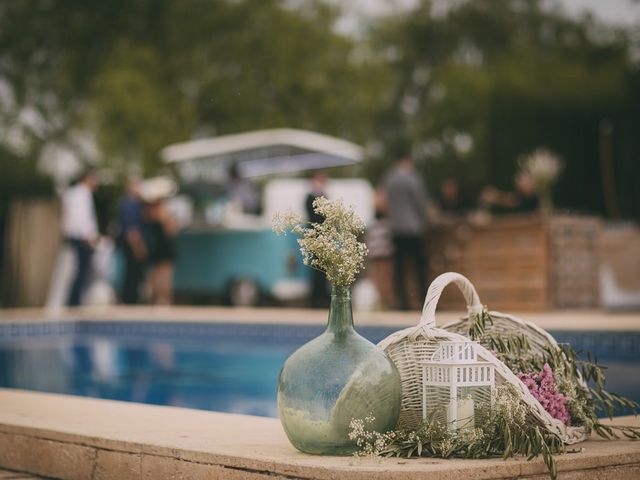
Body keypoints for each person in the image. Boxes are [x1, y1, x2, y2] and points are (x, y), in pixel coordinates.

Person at [382, 153, 429, 310]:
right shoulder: (412, 178)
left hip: (396, 228)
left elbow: (384, 202)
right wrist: (425, 220)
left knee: (399, 268)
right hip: (413, 228)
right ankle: (424, 302)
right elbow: (420, 203)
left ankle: (402, 303)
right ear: (408, 161)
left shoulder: (389, 179)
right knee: (419, 267)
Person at [60, 170, 99, 306]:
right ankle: (74, 302)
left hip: (76, 237)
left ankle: (73, 301)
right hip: (82, 238)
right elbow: (82, 218)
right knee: (81, 271)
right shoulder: (82, 194)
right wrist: (89, 236)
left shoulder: (73, 194)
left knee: (78, 271)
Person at [117, 178, 147, 304]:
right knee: (132, 274)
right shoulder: (130, 205)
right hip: (131, 245)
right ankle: (129, 300)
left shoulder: (136, 204)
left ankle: (129, 299)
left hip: (131, 244)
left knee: (132, 274)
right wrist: (138, 248)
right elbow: (132, 232)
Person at [305, 171, 331, 308]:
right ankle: (316, 297)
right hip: (316, 235)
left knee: (323, 266)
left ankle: (322, 296)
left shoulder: (322, 195)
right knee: (316, 266)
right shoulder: (310, 197)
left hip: (323, 236)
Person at [146, 199, 178, 305]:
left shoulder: (164, 215)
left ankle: (165, 300)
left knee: (164, 277)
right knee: (156, 278)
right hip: (157, 249)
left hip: (164, 248)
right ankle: (157, 300)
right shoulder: (150, 214)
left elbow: (171, 231)